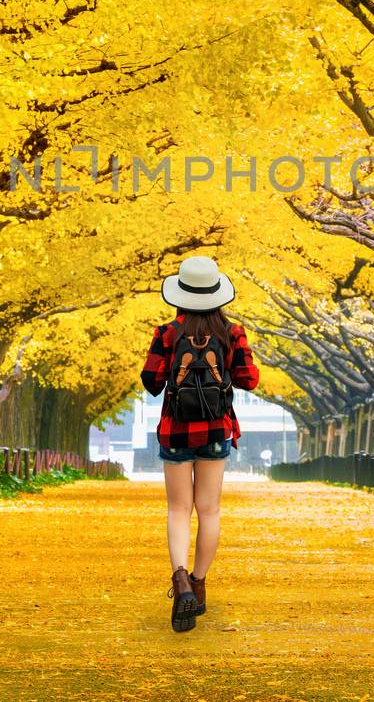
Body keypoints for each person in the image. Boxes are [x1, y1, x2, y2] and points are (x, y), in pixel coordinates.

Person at [140, 255, 260, 632]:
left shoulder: (167, 333)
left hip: (176, 430)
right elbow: (249, 379)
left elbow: (151, 381)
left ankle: (179, 582)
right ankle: (199, 582)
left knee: (178, 510)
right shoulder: (232, 332)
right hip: (215, 430)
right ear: (217, 294)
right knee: (208, 511)